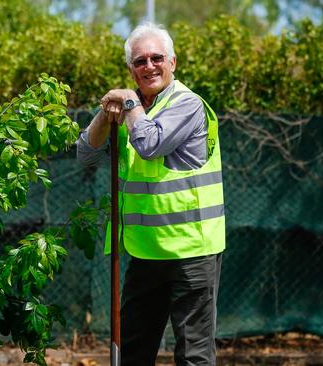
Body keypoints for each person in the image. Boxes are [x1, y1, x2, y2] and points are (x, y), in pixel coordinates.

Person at [76, 22, 225, 366]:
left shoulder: (186, 105)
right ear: (131, 69)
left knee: (194, 354)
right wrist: (105, 110)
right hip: (145, 251)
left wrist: (127, 102)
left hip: (191, 250)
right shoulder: (134, 109)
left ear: (173, 62)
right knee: (133, 350)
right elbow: (86, 153)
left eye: (156, 58)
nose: (149, 66)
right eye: (139, 61)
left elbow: (149, 144)